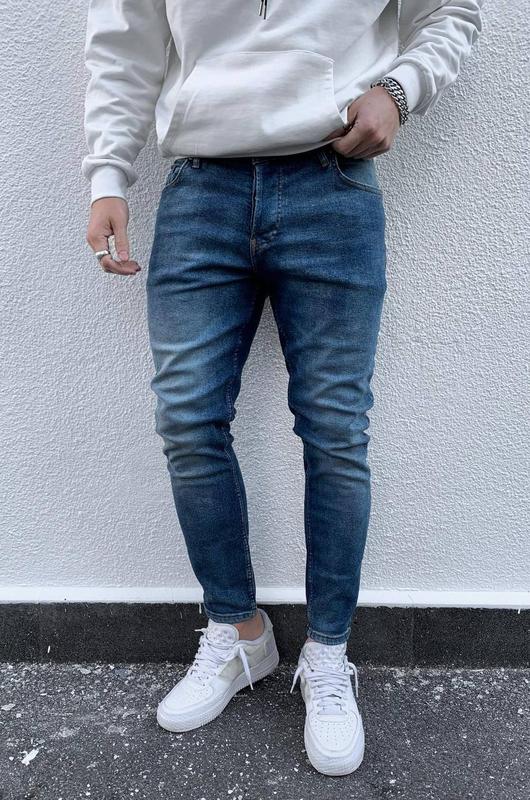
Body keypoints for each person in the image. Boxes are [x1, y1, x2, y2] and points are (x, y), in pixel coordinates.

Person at [83, 0, 483, 776]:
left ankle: (328, 653)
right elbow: (123, 44)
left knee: (335, 428)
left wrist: (399, 89)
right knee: (188, 416)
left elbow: (453, 10)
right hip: (201, 189)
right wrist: (107, 174)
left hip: (331, 183)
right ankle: (239, 633)